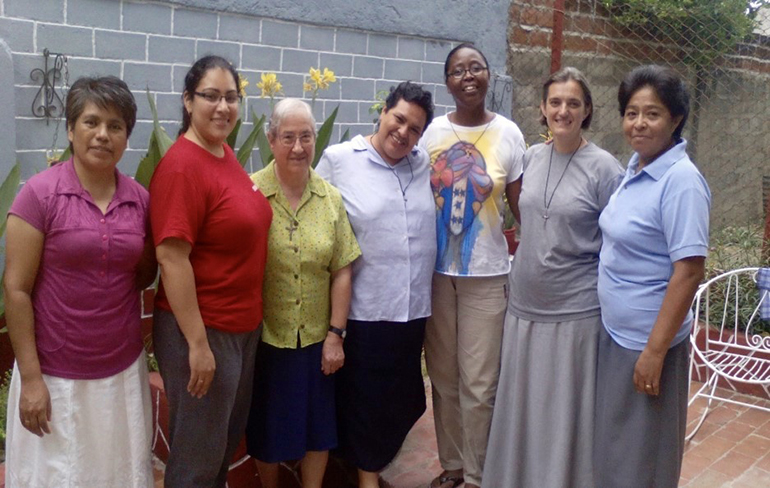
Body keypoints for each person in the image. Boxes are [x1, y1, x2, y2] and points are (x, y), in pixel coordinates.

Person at [3, 76, 156, 487]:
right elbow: (16, 290)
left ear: (127, 137)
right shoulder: (38, 196)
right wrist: (32, 379)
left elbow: (143, 275)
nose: (103, 135)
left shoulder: (141, 201)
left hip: (119, 372)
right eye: (91, 122)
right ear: (71, 129)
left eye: (115, 125)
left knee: (116, 472)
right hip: (54, 375)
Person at [482, 67, 623, 488]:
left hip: (575, 313)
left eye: (573, 103)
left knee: (563, 411)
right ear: (542, 109)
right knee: (525, 407)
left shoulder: (605, 170)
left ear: (587, 111)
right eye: (555, 102)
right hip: (524, 308)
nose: (563, 110)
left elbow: (618, 244)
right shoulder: (531, 157)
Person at [149, 55, 273, 488]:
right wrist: (198, 346)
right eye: (211, 96)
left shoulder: (223, 155)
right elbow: (171, 258)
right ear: (187, 100)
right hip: (204, 333)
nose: (223, 107)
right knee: (196, 461)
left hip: (240, 330)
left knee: (220, 450)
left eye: (231, 98)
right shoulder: (183, 166)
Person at [315, 81, 436, 488]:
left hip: (412, 309)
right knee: (365, 403)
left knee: (402, 400)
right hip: (365, 309)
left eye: (415, 128)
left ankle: (367, 466)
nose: (403, 132)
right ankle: (367, 478)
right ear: (382, 113)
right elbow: (313, 216)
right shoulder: (339, 160)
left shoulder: (423, 164)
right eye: (399, 119)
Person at [595, 64, 710, 487]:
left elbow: (689, 271)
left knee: (643, 458)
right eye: (631, 112)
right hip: (618, 335)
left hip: (648, 343)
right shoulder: (637, 169)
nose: (639, 123)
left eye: (652, 113)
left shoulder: (681, 182)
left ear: (675, 119)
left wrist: (655, 353)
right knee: (618, 448)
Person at [419, 43, 526, 488]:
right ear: (447, 81)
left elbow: (521, 209)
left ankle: (480, 475)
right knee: (443, 378)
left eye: (476, 68)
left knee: (480, 385)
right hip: (436, 277)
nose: (468, 76)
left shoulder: (510, 135)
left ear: (488, 76)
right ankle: (453, 465)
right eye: (458, 70)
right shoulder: (429, 134)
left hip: (486, 277)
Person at [245, 98, 361, 488]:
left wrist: (336, 335)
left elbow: (342, 269)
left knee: (318, 428)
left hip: (316, 338)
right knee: (266, 427)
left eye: (306, 137)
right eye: (288, 137)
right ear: (272, 139)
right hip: (265, 336)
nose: (298, 147)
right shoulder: (250, 193)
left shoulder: (330, 199)